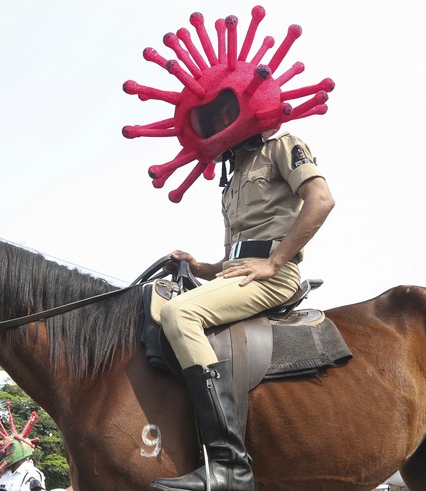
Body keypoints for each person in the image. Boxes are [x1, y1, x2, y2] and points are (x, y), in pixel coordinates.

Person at [122, 7, 337, 491]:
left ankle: (230, 467)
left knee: (181, 316)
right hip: (239, 273)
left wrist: (277, 261)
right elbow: (239, 250)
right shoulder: (233, 176)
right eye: (211, 114)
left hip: (274, 276)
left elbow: (321, 201)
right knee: (158, 304)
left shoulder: (286, 145)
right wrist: (201, 265)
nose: (219, 118)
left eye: (225, 108)